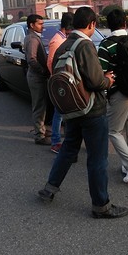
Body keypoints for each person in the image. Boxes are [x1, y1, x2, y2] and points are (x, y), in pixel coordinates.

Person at [38, 7, 128, 219]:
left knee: (68, 149)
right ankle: (101, 205)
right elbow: (96, 81)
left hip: (71, 108)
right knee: (98, 159)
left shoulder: (63, 45)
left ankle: (49, 189)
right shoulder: (85, 45)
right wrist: (109, 80)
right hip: (91, 109)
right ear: (91, 24)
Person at [99, 9, 128, 183]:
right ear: (126, 23)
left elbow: (102, 72)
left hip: (121, 93)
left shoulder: (106, 44)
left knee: (113, 130)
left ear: (108, 25)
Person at [46, 12, 74, 154]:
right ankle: (56, 142)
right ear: (68, 27)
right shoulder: (57, 40)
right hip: (60, 82)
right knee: (58, 113)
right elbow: (51, 63)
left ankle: (64, 140)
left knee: (65, 113)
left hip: (66, 82)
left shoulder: (64, 38)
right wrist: (58, 79)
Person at [24, 14, 51, 145]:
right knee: (39, 106)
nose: (43, 26)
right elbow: (31, 60)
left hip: (38, 76)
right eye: (40, 24)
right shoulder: (32, 39)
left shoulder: (34, 37)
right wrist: (43, 71)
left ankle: (42, 129)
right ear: (32, 25)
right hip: (36, 77)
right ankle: (39, 135)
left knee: (42, 105)